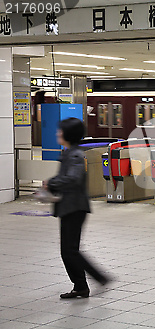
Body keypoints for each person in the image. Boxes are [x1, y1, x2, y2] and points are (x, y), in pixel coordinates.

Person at [45, 118, 109, 299]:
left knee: (70, 250)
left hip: (75, 207)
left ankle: (95, 279)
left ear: (68, 134)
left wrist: (51, 183)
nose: (58, 133)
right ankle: (81, 286)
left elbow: (72, 179)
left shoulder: (75, 155)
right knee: (68, 250)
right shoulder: (69, 153)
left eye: (61, 131)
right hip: (69, 206)